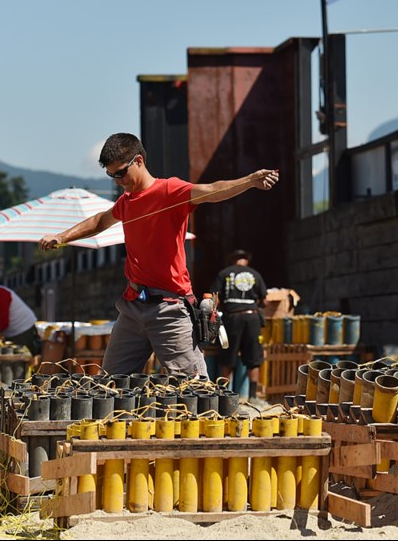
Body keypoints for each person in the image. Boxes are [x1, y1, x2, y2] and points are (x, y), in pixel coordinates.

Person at [37, 132, 278, 378]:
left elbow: (212, 190)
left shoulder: (170, 190)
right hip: (132, 307)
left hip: (170, 309)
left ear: (138, 161)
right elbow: (100, 220)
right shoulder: (127, 201)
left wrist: (249, 180)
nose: (118, 181)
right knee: (109, 385)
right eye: (111, 175)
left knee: (192, 390)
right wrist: (63, 236)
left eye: (121, 173)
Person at [208, 249, 268, 404]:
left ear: (232, 260)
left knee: (227, 356)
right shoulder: (255, 274)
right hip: (252, 317)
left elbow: (214, 297)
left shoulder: (224, 273)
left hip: (232, 318)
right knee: (253, 358)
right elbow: (265, 300)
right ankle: (253, 397)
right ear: (246, 260)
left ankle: (224, 396)